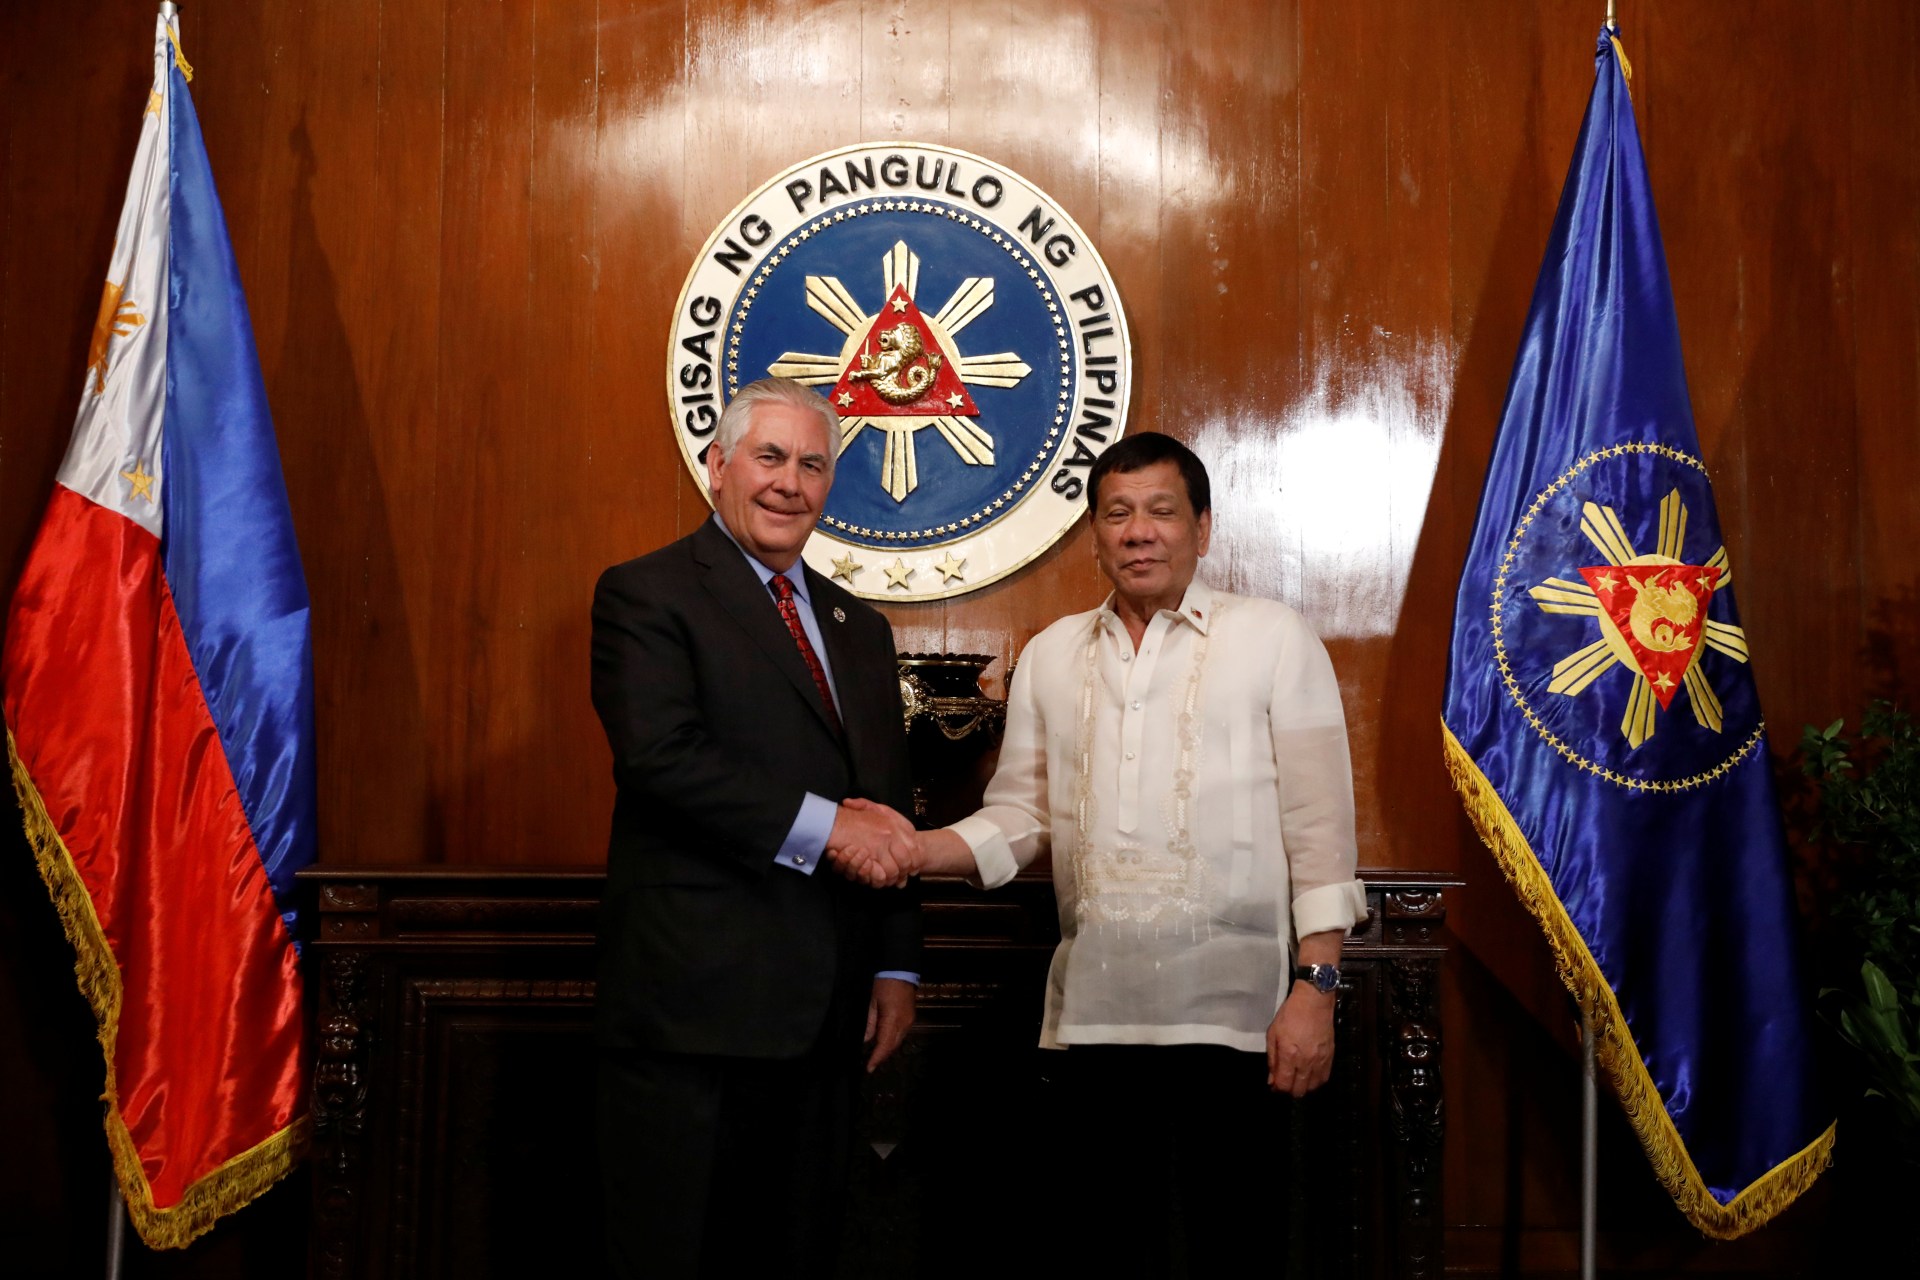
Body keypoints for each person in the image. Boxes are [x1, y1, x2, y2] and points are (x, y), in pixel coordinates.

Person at [841, 431, 1366, 1276]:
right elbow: (1019, 818)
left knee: (1241, 1243)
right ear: (1094, 531)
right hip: (1092, 1013)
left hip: (1240, 1016)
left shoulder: (1274, 638)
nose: (1139, 531)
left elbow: (1320, 829)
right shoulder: (1051, 654)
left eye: (1162, 511)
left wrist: (1317, 990)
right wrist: (912, 848)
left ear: (1202, 526)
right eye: (1117, 513)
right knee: (1101, 1245)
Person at [590, 377, 921, 1279]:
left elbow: (886, 800)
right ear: (717, 467)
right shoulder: (646, 594)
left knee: (799, 1250)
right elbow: (663, 760)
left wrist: (895, 962)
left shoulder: (860, 626)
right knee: (678, 1252)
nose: (791, 483)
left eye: (813, 465)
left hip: (831, 1012)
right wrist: (828, 830)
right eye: (770, 457)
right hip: (693, 1011)